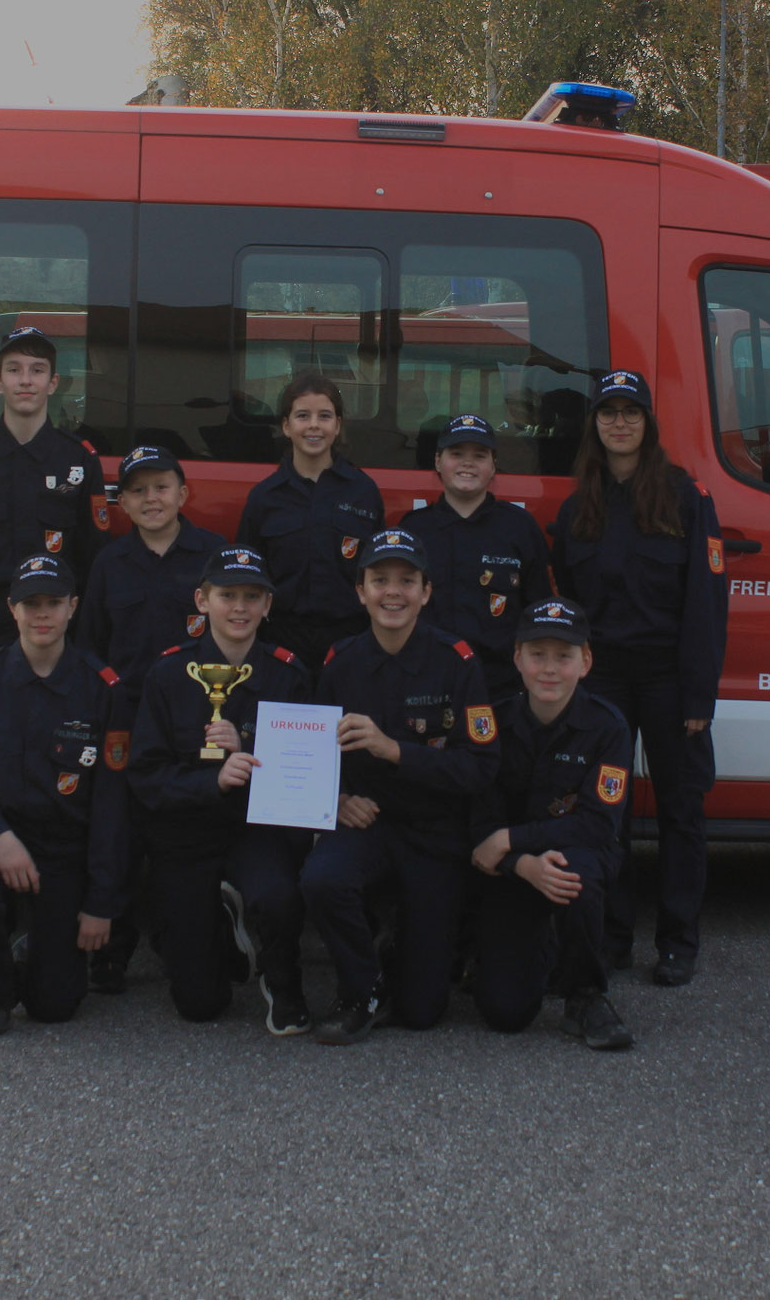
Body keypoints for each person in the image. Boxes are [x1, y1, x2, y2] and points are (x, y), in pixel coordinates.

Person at [549, 370, 729, 988]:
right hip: (604, 683)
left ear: (648, 423)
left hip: (669, 679)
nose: (620, 423)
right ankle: (612, 935)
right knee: (608, 810)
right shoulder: (578, 508)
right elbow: (570, 607)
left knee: (681, 811)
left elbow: (706, 602)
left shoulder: (685, 499)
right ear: (594, 424)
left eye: (631, 412)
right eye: (609, 412)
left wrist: (699, 693)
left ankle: (678, 941)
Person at [301, 529, 500, 1045]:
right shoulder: (340, 661)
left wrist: (395, 750)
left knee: (421, 1011)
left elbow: (480, 767)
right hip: (366, 821)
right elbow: (313, 754)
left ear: (426, 592)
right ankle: (360, 989)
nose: (393, 592)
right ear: (360, 591)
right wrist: (335, 800)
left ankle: (397, 949)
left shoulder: (457, 662)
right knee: (322, 879)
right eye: (380, 580)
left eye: (407, 581)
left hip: (434, 830)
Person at [0, 554, 132, 1036]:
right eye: (30, 604)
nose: (42, 614)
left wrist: (100, 902)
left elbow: (112, 805)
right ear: (12, 609)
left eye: (53, 603)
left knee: (55, 1006)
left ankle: (39, 953)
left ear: (73, 607)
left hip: (65, 848)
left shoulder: (102, 689)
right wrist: (0, 837)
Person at [127, 545, 317, 1033]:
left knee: (278, 896)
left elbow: (304, 775)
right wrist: (210, 781)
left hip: (256, 828)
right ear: (202, 600)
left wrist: (250, 749)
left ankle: (283, 981)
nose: (239, 607)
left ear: (268, 605)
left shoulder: (289, 674)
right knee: (200, 1003)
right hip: (187, 833)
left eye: (252, 597)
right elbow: (145, 775)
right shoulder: (168, 674)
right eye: (226, 595)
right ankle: (220, 925)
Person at [74, 443, 227, 993]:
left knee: (181, 827)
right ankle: (112, 950)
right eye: (137, 491)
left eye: (162, 487)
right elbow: (90, 646)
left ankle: (176, 937)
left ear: (183, 493)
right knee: (117, 830)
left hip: (195, 716)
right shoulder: (109, 562)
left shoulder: (215, 555)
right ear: (123, 503)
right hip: (128, 716)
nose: (151, 499)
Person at [469, 598, 634, 1051]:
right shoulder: (490, 725)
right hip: (508, 870)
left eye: (563, 656)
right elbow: (478, 827)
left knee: (574, 872)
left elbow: (597, 825)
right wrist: (522, 864)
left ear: (585, 662)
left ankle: (585, 995)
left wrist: (512, 839)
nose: (549, 669)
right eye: (537, 654)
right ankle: (531, 948)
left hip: (570, 857)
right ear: (517, 658)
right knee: (505, 1014)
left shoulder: (609, 728)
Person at [0, 327, 110, 694]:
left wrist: (89, 649)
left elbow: (94, 564)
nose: (25, 380)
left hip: (54, 631)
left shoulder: (78, 460)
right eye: (14, 370)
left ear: (53, 382)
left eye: (37, 370)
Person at [397, 412, 554, 699]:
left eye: (479, 455)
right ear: (438, 461)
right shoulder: (414, 531)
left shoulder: (520, 528)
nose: (467, 463)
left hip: (501, 688)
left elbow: (539, 611)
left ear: (493, 465)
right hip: (427, 683)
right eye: (456, 453)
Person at [237, 374, 383, 668]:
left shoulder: (364, 492)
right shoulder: (264, 497)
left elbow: (377, 570)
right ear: (286, 426)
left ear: (337, 425)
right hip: (280, 639)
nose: (314, 425)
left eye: (324, 416)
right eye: (303, 415)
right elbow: (247, 573)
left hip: (349, 639)